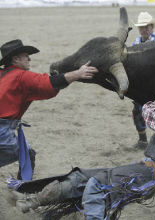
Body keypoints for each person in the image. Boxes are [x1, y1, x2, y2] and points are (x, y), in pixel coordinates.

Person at [9, 89, 155, 220]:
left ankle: (33, 201)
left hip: (145, 175)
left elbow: (148, 113)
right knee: (82, 179)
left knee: (94, 186)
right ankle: (32, 202)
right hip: (147, 177)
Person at [0, 39, 98, 181]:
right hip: (3, 129)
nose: (29, 58)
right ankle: (22, 189)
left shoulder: (3, 73)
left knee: (27, 153)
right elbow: (50, 84)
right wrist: (78, 73)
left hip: (5, 127)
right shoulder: (22, 76)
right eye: (26, 55)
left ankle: (21, 187)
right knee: (26, 155)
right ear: (15, 59)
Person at [131, 11, 155, 149]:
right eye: (141, 27)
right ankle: (142, 140)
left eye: (147, 26)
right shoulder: (134, 44)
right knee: (138, 111)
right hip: (142, 83)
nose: (144, 29)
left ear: (152, 27)